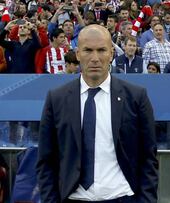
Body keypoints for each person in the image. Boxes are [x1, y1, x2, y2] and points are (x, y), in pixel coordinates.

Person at [36, 24, 158, 202]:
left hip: (122, 196)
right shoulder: (57, 99)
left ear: (111, 53)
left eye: (101, 50)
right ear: (77, 54)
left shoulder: (136, 97)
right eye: (88, 50)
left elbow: (148, 158)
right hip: (73, 197)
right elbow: (46, 160)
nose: (95, 58)